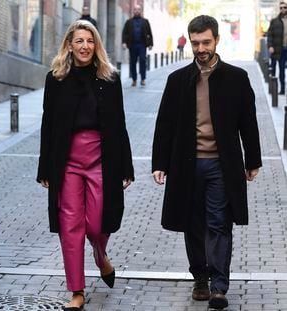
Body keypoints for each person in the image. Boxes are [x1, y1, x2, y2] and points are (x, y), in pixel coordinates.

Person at [152, 15, 261, 309]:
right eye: (196, 42)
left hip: (221, 165)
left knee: (219, 223)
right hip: (186, 165)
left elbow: (248, 123)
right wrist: (159, 162)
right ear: (190, 41)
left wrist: (253, 159)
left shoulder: (236, 78)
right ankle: (199, 277)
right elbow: (165, 124)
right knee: (193, 224)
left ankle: (219, 285)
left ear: (216, 41)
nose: (201, 48)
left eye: (206, 42)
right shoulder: (178, 80)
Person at [37, 20, 134, 311]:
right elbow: (48, 124)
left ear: (97, 46)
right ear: (69, 44)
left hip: (101, 159)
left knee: (96, 223)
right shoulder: (55, 79)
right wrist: (45, 168)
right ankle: (76, 291)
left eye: (89, 41)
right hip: (67, 161)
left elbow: (120, 125)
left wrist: (126, 167)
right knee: (70, 226)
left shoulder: (109, 78)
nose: (84, 46)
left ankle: (100, 255)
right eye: (78, 41)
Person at [122, 4, 153, 87]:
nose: (137, 11)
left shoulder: (145, 21)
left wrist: (150, 44)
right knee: (133, 62)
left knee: (143, 61)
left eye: (138, 9)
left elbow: (150, 33)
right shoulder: (129, 22)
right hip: (132, 45)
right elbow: (124, 33)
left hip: (142, 45)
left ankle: (143, 79)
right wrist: (124, 43)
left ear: (141, 11)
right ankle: (134, 80)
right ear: (133, 11)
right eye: (135, 9)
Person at [267, 2, 287, 94]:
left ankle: (282, 89)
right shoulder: (274, 21)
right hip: (275, 49)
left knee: (282, 70)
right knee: (273, 69)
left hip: (284, 49)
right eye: (281, 8)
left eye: (285, 7)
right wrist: (270, 46)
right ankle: (273, 89)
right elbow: (269, 35)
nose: (283, 9)